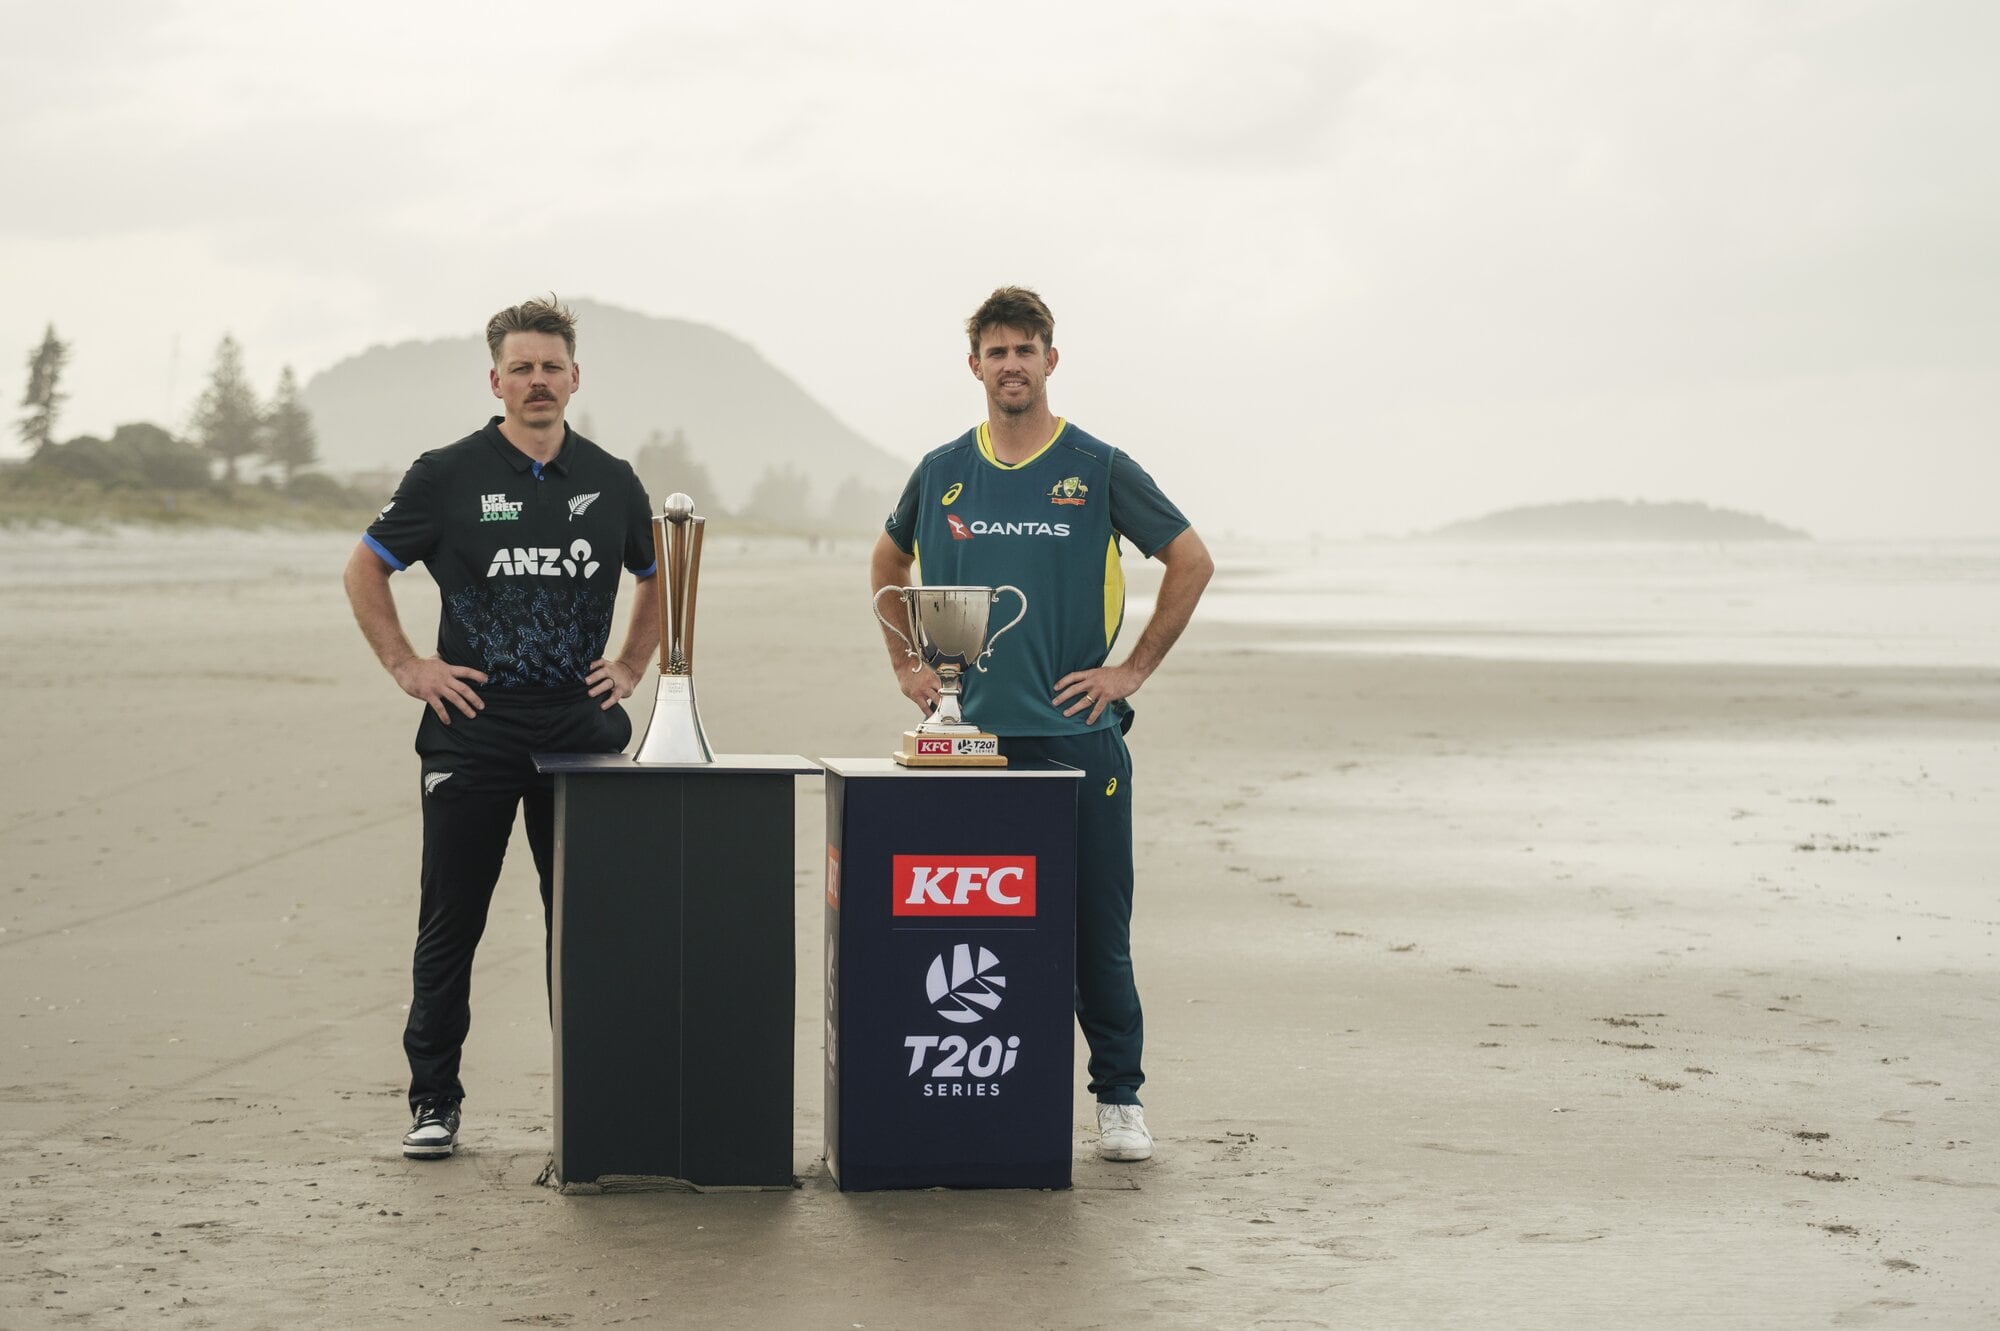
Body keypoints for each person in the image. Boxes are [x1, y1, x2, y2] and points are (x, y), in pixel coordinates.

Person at [870, 286, 1214, 1162]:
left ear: (1050, 361)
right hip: (969, 744)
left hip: (1075, 737)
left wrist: (1130, 671)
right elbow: (888, 556)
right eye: (997, 351)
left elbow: (1191, 558)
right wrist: (910, 666)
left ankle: (1120, 1098)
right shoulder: (944, 469)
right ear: (975, 365)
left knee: (1096, 928)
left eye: (1027, 349)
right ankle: (972, 1088)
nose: (1012, 364)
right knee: (968, 932)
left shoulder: (1096, 465)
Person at [343, 297, 660, 1160]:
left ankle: (590, 1099)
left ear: (574, 377)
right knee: (452, 923)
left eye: (551, 366)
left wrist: (629, 665)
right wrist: (410, 666)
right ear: (496, 380)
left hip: (579, 734)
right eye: (520, 368)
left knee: (585, 926)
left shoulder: (611, 479)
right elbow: (365, 569)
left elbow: (659, 573)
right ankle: (433, 1100)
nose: (537, 381)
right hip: (471, 732)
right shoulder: (447, 474)